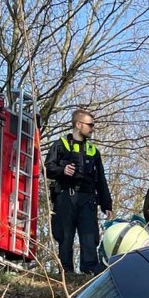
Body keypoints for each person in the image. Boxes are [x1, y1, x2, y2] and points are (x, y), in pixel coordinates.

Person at [44, 109, 113, 276]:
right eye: (90, 125)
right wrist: (62, 170)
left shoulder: (93, 151)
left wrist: (106, 204)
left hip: (88, 199)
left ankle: (89, 269)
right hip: (66, 196)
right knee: (65, 235)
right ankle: (66, 271)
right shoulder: (60, 145)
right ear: (78, 124)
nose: (92, 128)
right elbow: (47, 168)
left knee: (90, 235)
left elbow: (101, 179)